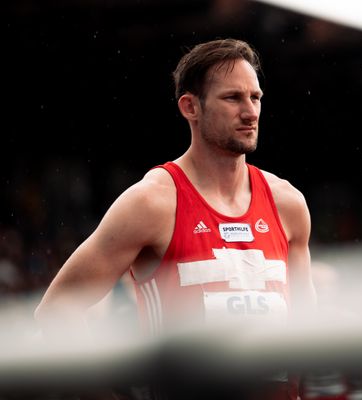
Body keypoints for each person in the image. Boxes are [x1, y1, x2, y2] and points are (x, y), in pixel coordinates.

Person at [35, 38, 316, 399]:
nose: (250, 112)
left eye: (256, 97)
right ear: (190, 107)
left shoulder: (288, 203)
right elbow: (58, 310)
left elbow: (308, 329)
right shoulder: (152, 202)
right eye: (233, 98)